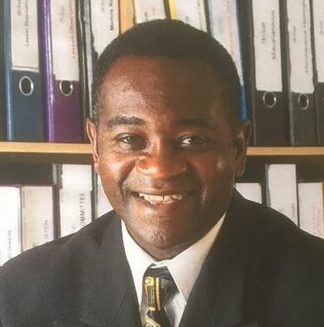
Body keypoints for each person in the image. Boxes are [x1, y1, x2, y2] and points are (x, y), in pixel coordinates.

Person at [1, 19, 324, 327]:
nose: (160, 168)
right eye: (130, 139)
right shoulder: (19, 294)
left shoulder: (313, 286)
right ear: (97, 148)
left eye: (192, 140)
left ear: (238, 149)